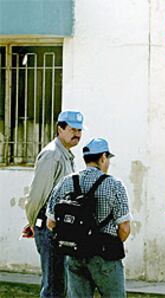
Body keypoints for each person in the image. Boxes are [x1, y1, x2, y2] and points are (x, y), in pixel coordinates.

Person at [46, 137, 132, 298]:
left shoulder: (65, 182)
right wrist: (112, 243)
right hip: (105, 255)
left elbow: (51, 223)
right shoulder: (114, 185)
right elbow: (124, 228)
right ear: (103, 157)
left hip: (74, 254)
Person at [24, 110, 85, 297]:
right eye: (73, 129)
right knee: (53, 286)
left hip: (61, 226)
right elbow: (37, 196)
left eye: (80, 130)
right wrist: (34, 222)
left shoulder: (64, 154)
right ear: (60, 129)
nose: (77, 134)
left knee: (60, 283)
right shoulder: (52, 155)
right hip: (48, 226)